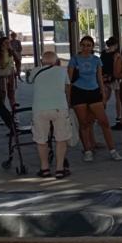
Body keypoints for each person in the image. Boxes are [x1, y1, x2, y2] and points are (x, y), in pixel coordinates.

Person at [68, 36, 122, 162]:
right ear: (80, 46)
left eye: (89, 45)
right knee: (84, 123)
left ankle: (113, 150)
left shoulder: (96, 60)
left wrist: (103, 94)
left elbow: (99, 78)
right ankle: (87, 150)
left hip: (94, 91)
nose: (86, 48)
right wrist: (68, 98)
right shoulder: (74, 59)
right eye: (84, 45)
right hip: (78, 92)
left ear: (93, 47)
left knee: (104, 121)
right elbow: (69, 80)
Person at [28, 51, 72, 179]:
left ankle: (45, 168)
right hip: (59, 108)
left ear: (42, 62)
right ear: (56, 62)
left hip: (40, 109)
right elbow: (68, 88)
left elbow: (30, 80)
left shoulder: (36, 70)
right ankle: (59, 169)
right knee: (61, 138)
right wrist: (68, 105)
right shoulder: (62, 71)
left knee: (41, 139)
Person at [100, 37, 122, 130]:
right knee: (118, 99)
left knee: (105, 98)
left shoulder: (103, 53)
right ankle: (119, 117)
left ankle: (99, 116)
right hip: (115, 78)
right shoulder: (116, 55)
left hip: (105, 77)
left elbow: (101, 66)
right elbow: (116, 67)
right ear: (116, 45)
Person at [0, 37, 16, 110]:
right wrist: (3, 53)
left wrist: (12, 50)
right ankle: (3, 114)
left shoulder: (11, 52)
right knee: (2, 93)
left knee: (11, 93)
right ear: (1, 44)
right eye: (6, 43)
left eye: (8, 42)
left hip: (11, 74)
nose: (8, 44)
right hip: (2, 75)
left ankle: (14, 113)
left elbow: (18, 60)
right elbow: (2, 65)